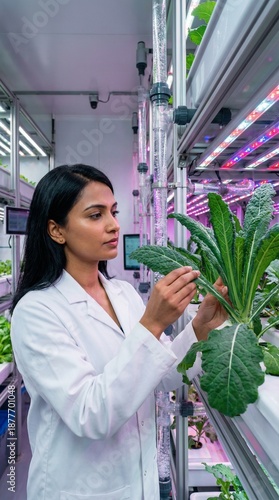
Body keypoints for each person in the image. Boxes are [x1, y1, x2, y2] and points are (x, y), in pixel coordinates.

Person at [11, 164, 228, 500]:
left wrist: (199, 329)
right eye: (95, 215)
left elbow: (162, 376)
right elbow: (90, 415)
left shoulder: (123, 293)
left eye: (113, 212)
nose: (114, 225)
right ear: (56, 230)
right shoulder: (36, 312)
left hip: (138, 482)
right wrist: (152, 324)